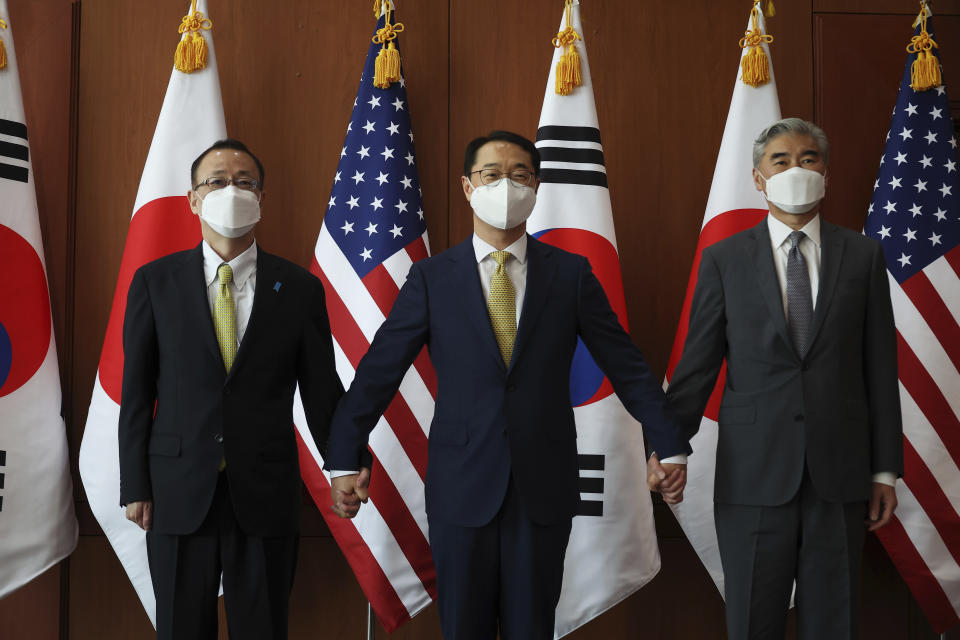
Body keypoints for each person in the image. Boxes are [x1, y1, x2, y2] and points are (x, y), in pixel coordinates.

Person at [324, 130, 688, 640]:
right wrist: (345, 455)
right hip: (460, 488)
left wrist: (668, 443)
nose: (507, 184)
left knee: (531, 630)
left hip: (544, 486)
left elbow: (626, 365)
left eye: (520, 174)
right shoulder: (433, 279)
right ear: (468, 187)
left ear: (535, 187)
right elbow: (379, 371)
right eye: (492, 174)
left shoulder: (571, 273)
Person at [666, 118, 903, 639]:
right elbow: (696, 366)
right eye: (781, 160)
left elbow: (880, 368)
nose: (796, 169)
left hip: (840, 476)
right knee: (752, 621)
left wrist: (885, 470)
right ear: (758, 177)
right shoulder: (724, 259)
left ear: (827, 174)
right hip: (752, 475)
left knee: (834, 623)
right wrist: (668, 448)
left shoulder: (863, 256)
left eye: (808, 158)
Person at [118, 139, 343, 640]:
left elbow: (323, 393)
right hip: (176, 492)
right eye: (216, 182)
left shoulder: (300, 289)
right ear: (193, 199)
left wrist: (345, 463)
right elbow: (135, 393)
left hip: (265, 491)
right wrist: (134, 483)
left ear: (261, 198)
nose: (231, 191)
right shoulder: (155, 282)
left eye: (245, 182)